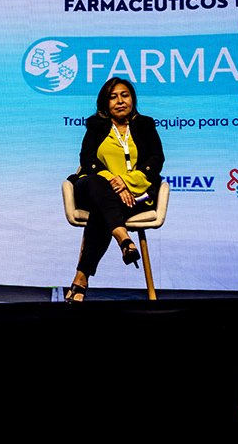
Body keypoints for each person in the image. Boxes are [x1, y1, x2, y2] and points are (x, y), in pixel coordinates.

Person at [64, 77, 164, 303]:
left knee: (102, 213)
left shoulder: (145, 125)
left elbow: (156, 160)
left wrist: (126, 182)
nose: (120, 101)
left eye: (125, 95)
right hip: (94, 188)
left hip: (134, 193)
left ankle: (81, 278)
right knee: (97, 183)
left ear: (132, 99)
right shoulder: (96, 126)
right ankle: (122, 237)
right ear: (105, 103)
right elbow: (87, 159)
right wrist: (113, 182)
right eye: (113, 97)